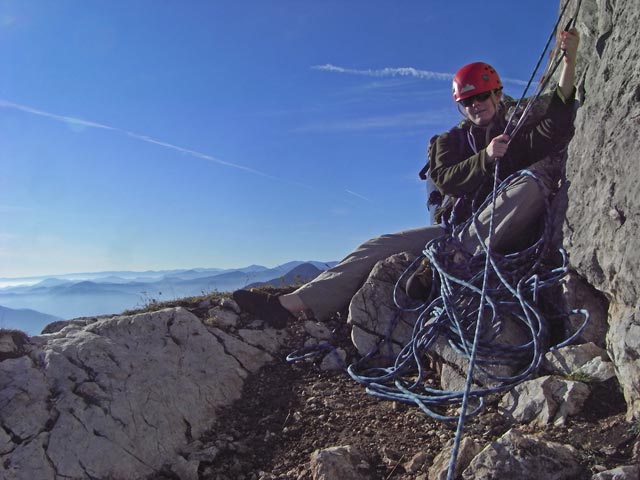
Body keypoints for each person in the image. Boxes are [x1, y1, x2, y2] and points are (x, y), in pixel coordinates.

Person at [234, 29, 580, 328]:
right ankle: (291, 305)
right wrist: (486, 157)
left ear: (497, 95)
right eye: (468, 101)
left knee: (530, 186)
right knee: (379, 244)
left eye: (481, 97)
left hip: (499, 227)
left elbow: (554, 126)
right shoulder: (450, 141)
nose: (476, 105)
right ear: (461, 106)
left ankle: (450, 265)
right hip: (455, 230)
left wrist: (568, 63)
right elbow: (446, 180)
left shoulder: (514, 134)